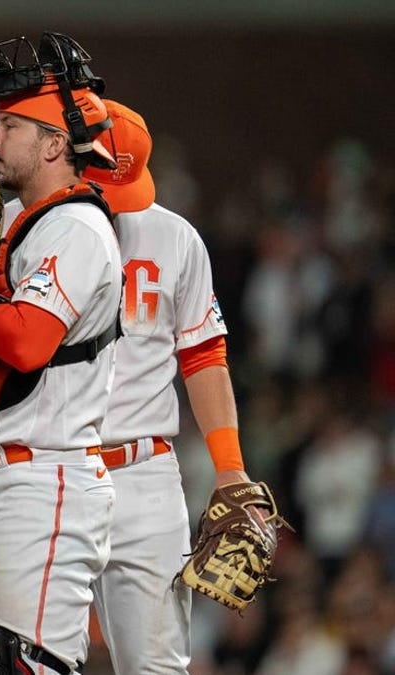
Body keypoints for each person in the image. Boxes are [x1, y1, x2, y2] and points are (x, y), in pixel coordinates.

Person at [0, 77, 123, 673]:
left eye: (9, 125)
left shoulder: (75, 228)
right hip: (18, 480)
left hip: (45, 478)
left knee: (27, 665)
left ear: (53, 144)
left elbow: (25, 342)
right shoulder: (29, 223)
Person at [77, 99, 266, 674]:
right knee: (38, 660)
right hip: (51, 465)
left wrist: (229, 466)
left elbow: (204, 354)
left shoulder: (174, 236)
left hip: (146, 471)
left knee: (159, 666)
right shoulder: (24, 228)